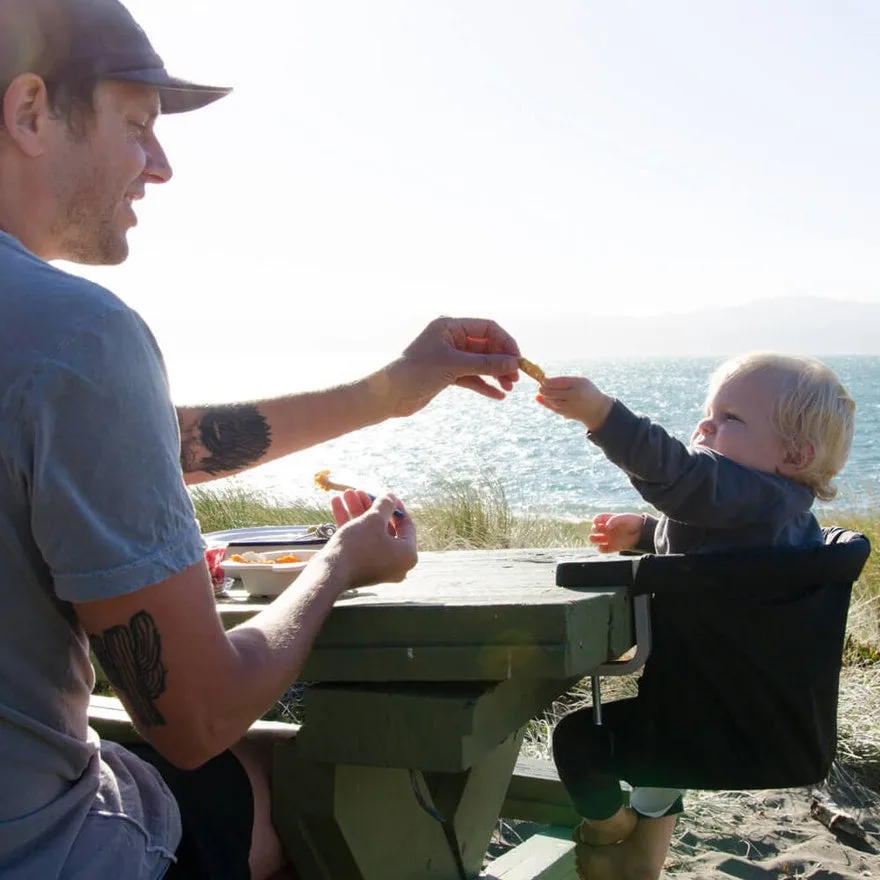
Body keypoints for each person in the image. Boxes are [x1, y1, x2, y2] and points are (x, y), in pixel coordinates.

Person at [0, 1, 524, 878]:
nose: (159, 166)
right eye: (138, 127)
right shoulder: (78, 337)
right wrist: (339, 565)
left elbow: (140, 447)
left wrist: (387, 392)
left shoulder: (47, 355)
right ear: (29, 112)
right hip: (43, 850)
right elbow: (196, 718)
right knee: (343, 791)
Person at [535, 351, 855, 880]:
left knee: (576, 741)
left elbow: (683, 478)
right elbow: (708, 535)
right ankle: (642, 861)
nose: (706, 422)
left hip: (699, 721)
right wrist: (642, 532)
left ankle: (608, 828)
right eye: (709, 410)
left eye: (731, 418)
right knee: (656, 764)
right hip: (756, 719)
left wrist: (604, 417)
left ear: (794, 454)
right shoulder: (777, 511)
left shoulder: (753, 496)